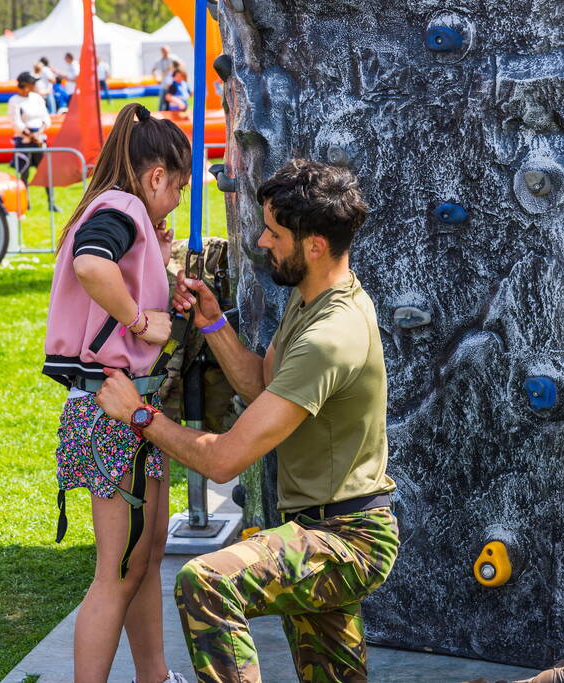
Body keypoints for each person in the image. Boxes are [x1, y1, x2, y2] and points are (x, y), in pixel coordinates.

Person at [95, 159, 400, 682]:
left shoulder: (331, 336)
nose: (262, 242)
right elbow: (261, 386)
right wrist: (212, 322)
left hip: (348, 540)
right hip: (317, 529)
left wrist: (139, 414)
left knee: (207, 582)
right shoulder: (313, 301)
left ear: (314, 246)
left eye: (274, 233)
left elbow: (223, 460)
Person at [43, 103, 192, 683]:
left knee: (145, 557)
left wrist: (161, 284)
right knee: (119, 569)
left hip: (127, 409)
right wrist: (138, 319)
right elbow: (90, 264)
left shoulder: (123, 210)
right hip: (109, 407)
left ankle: (154, 676)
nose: (177, 199)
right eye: (177, 187)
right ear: (156, 176)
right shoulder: (122, 206)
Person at [9, 71, 59, 212]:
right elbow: (16, 122)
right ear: (25, 85)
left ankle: (51, 202)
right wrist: (32, 136)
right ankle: (26, 203)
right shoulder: (14, 101)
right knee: (24, 173)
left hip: (39, 138)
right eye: (31, 83)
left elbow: (46, 118)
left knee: (46, 173)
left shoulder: (37, 98)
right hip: (25, 140)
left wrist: (39, 133)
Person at [150, 45, 180, 111]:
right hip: (164, 84)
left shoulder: (173, 59)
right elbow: (153, 70)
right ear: (162, 52)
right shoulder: (159, 61)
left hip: (173, 84)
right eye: (164, 51)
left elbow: (180, 66)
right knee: (162, 102)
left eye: (167, 51)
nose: (166, 52)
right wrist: (156, 78)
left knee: (173, 102)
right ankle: (161, 116)